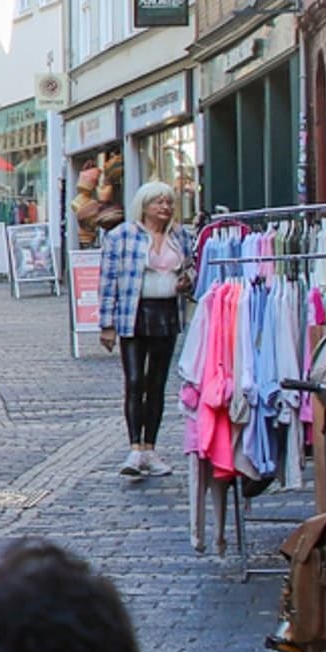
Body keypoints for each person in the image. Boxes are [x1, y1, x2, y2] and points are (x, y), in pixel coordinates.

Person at [95, 182, 196, 481]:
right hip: (133, 313)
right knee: (135, 380)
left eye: (168, 202)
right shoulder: (122, 236)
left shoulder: (180, 235)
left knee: (157, 383)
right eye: (158, 203)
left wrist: (187, 280)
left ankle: (150, 447)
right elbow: (107, 279)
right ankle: (134, 447)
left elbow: (191, 268)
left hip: (166, 313)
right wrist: (107, 324)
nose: (165, 208)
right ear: (145, 205)